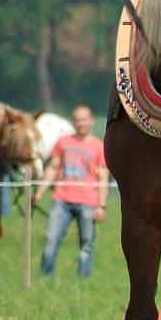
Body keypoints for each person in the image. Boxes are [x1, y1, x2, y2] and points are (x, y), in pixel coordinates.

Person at [34, 106, 109, 277]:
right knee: (51, 239)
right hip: (62, 200)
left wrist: (101, 206)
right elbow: (53, 168)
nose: (80, 123)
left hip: (88, 202)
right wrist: (40, 192)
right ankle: (45, 277)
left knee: (86, 243)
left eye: (84, 120)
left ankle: (83, 279)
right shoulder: (63, 143)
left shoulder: (99, 147)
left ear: (91, 121)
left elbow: (103, 177)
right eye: (77, 120)